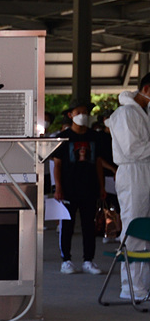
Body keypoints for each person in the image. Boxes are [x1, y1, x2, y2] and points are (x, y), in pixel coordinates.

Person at [52, 99, 106, 275]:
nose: (83, 115)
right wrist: (58, 187)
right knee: (67, 225)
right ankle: (66, 260)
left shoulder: (94, 137)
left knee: (88, 226)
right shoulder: (64, 138)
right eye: (79, 112)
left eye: (86, 112)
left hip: (89, 187)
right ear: (71, 115)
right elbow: (57, 165)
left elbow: (98, 162)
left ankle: (88, 261)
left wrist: (102, 186)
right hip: (68, 188)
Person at [109, 72, 150, 301]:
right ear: (147, 88)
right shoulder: (125, 113)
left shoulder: (146, 112)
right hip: (133, 171)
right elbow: (133, 149)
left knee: (147, 228)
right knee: (134, 226)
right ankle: (131, 287)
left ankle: (143, 285)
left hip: (146, 168)